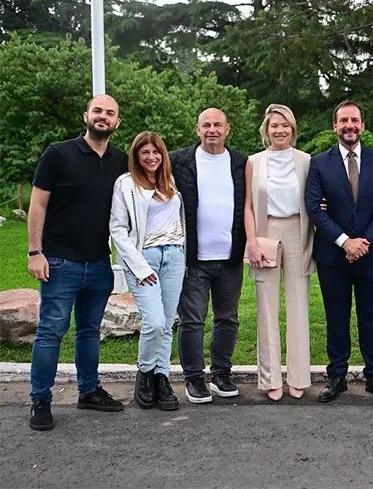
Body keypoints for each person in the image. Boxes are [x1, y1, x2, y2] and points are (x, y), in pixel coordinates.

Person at [27, 95, 128, 431]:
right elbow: (38, 205)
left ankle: (88, 391)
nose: (103, 116)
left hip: (99, 263)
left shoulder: (121, 162)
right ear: (86, 115)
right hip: (58, 262)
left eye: (110, 113)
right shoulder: (58, 154)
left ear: (117, 121)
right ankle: (40, 399)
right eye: (98, 110)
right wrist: (34, 252)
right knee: (51, 332)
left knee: (89, 332)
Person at [305, 100, 373, 403]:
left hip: (371, 254)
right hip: (334, 256)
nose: (349, 126)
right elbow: (315, 209)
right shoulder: (318, 163)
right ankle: (337, 375)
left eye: (354, 120)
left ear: (363, 125)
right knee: (336, 316)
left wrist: (364, 243)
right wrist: (345, 242)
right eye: (343, 120)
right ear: (335, 126)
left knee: (371, 315)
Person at [171, 108, 248, 404]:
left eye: (218, 124)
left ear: (227, 129)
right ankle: (193, 378)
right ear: (197, 129)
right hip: (193, 258)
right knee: (192, 320)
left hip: (230, 257)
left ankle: (220, 374)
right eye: (206, 125)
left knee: (227, 318)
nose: (212, 129)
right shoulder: (179, 161)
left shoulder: (241, 162)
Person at [244, 104, 316, 401]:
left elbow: (315, 198)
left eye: (285, 125)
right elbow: (248, 205)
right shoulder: (254, 162)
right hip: (265, 232)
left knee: (298, 305)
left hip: (298, 231)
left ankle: (298, 377)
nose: (280, 130)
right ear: (266, 129)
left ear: (293, 129)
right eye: (274, 125)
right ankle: (271, 379)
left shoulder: (306, 161)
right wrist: (252, 242)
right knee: (266, 307)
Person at [110, 131, 184, 411]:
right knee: (153, 322)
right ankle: (145, 373)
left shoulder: (169, 181)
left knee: (166, 323)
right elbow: (118, 228)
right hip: (145, 259)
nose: (151, 157)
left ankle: (161, 377)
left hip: (174, 256)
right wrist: (140, 267)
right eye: (145, 153)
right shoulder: (126, 184)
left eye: (156, 152)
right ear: (136, 156)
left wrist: (181, 253)